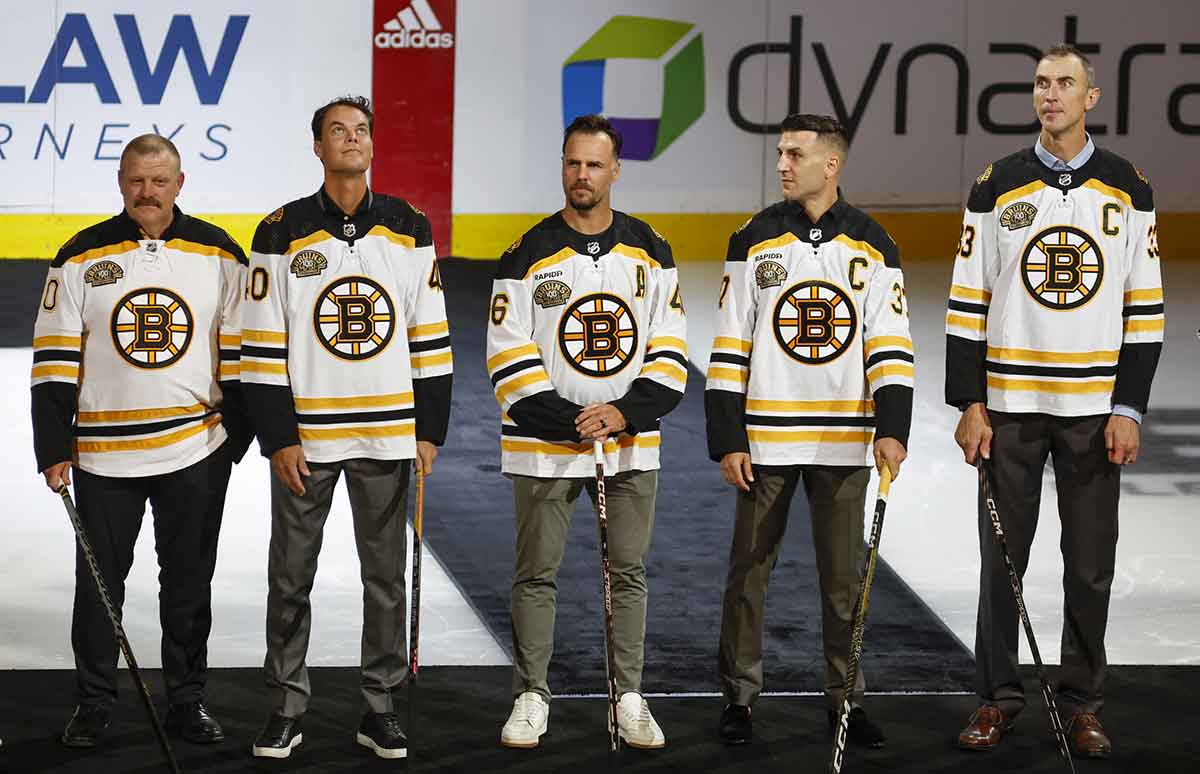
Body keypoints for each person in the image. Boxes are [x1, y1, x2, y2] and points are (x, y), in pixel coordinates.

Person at [947, 45, 1163, 759]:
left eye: (1065, 84)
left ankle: (1082, 705)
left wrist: (1128, 408)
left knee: (1090, 564)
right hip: (1009, 407)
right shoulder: (996, 185)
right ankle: (996, 698)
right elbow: (964, 302)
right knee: (1000, 563)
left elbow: (1146, 310)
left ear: (1090, 98)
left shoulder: (1128, 187)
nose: (1051, 95)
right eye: (1041, 83)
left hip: (1095, 411)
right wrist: (968, 403)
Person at [240, 95, 452, 760]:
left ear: (372, 144)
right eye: (338, 131)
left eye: (361, 130)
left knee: (385, 580)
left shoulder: (409, 227)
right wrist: (278, 437)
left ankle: (379, 707)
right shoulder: (279, 231)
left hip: (388, 435)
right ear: (318, 146)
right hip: (308, 439)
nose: (351, 140)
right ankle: (284, 707)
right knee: (290, 578)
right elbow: (260, 345)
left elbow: (430, 338)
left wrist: (430, 430)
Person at [31, 134, 252, 749]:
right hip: (104, 456)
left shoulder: (218, 252)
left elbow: (241, 348)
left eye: (159, 181)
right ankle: (95, 702)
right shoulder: (80, 256)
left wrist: (233, 438)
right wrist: (53, 447)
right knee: (99, 586)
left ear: (180, 184)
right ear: (120, 183)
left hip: (195, 450)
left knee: (187, 583)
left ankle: (187, 700)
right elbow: (53, 360)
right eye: (136, 180)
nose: (147, 192)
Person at [706, 114, 912, 747]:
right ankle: (738, 700)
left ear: (833, 163)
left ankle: (844, 697)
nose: (782, 165)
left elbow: (891, 345)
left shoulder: (875, 245)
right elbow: (729, 345)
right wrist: (728, 437)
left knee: (845, 580)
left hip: (844, 440)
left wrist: (893, 428)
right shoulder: (753, 240)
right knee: (748, 573)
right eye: (779, 154)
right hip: (765, 440)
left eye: (795, 154)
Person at [486, 114, 687, 750]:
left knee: (627, 572)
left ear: (615, 171)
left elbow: (671, 347)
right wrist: (571, 420)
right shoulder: (524, 254)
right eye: (573, 163)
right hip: (545, 447)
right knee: (535, 575)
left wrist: (625, 413)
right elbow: (505, 356)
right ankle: (530, 695)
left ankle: (628, 695)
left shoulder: (651, 250)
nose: (582, 175)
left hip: (628, 446)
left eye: (594, 165)